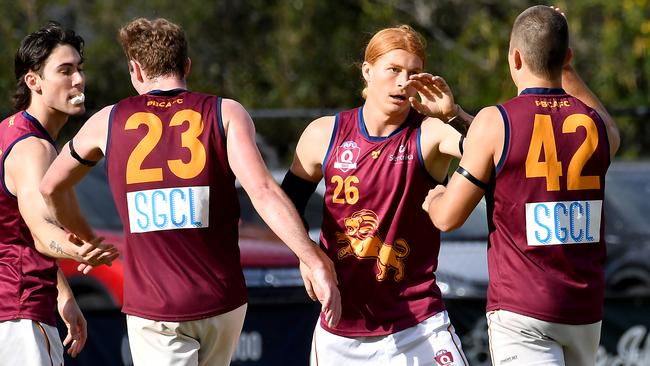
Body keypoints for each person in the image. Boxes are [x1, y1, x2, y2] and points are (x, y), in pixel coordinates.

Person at [39, 17, 341, 366]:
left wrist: (82, 236)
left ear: (135, 70)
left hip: (156, 306)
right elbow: (263, 190)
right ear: (186, 66)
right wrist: (312, 258)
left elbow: (50, 186)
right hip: (222, 302)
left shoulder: (107, 120)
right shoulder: (225, 111)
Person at [423, 6, 620, 366]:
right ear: (567, 57)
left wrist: (435, 196)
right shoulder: (596, 128)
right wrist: (567, 69)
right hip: (584, 310)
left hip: (522, 310)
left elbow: (448, 217)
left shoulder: (495, 120)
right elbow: (606, 129)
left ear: (514, 57)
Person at [281, 25, 472, 365]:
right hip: (341, 330)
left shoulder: (430, 131)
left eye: (413, 73)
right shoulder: (324, 134)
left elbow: (495, 151)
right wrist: (307, 253)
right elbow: (283, 205)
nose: (403, 81)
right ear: (367, 72)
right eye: (394, 69)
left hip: (419, 325)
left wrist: (454, 115)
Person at [0, 22, 118, 365]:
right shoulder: (33, 147)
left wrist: (63, 294)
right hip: (19, 320)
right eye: (65, 71)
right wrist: (80, 250)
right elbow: (40, 234)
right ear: (33, 81)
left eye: (79, 69)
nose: (78, 80)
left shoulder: (9, 132)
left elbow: (15, 232)